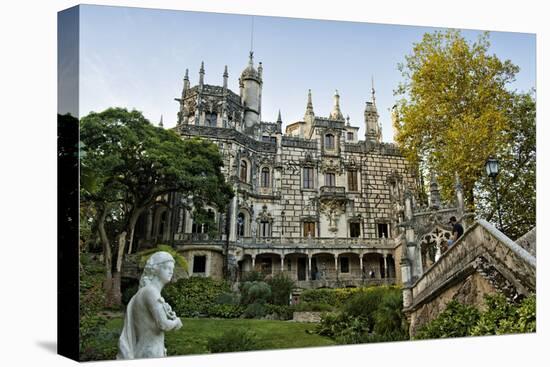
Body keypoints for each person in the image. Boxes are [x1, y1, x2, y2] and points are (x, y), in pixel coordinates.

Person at [117, 251, 183, 359]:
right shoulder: (151, 292)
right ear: (155, 269)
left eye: (172, 268)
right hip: (151, 352)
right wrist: (176, 322)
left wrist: (169, 315)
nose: (171, 271)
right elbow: (164, 325)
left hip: (146, 350)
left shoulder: (146, 292)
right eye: (166, 268)